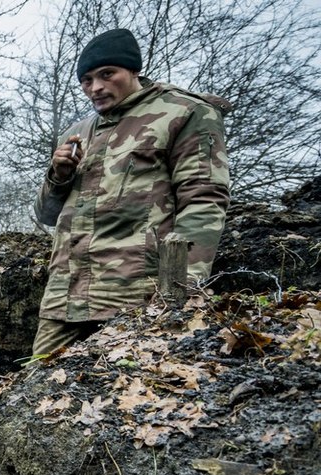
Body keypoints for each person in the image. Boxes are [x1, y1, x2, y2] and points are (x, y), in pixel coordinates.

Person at [33, 28, 230, 356]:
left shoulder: (184, 112)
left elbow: (204, 201)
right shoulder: (77, 132)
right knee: (32, 392)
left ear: (133, 69)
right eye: (86, 80)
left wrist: (181, 290)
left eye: (107, 74)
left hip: (137, 297)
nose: (96, 87)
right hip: (63, 301)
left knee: (127, 398)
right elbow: (46, 216)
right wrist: (59, 175)